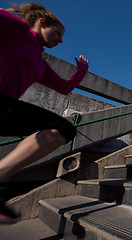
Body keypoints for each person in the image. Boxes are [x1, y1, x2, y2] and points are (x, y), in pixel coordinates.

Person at [0, 2, 89, 224]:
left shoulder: (40, 63)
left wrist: (82, 71)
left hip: (5, 107)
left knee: (63, 129)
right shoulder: (17, 28)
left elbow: (64, 88)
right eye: (58, 33)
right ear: (42, 23)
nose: (60, 41)